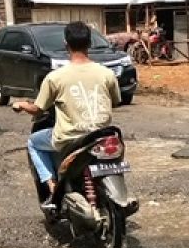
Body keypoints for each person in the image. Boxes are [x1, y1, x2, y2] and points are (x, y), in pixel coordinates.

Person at [12, 21, 122, 200]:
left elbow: (37, 110)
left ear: (66, 44)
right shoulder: (106, 74)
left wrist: (21, 105)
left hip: (71, 138)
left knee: (33, 142)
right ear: (90, 43)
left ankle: (52, 186)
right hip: (101, 135)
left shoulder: (55, 78)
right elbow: (115, 101)